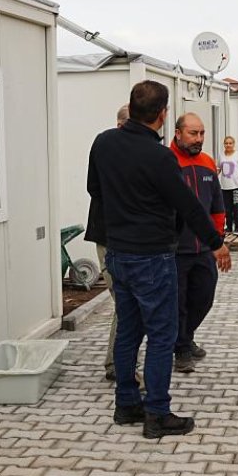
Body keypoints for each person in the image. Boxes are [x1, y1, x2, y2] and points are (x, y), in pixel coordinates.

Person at [87, 81, 231, 439]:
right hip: (152, 256)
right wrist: (217, 243)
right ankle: (157, 414)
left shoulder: (103, 143)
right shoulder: (159, 157)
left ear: (132, 107)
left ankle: (126, 405)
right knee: (162, 335)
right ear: (163, 115)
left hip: (117, 253)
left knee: (128, 331)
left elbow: (94, 189)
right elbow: (187, 205)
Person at [171, 113, 227, 373]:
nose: (199, 139)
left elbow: (216, 206)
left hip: (204, 249)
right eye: (193, 133)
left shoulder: (207, 163)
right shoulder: (166, 162)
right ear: (178, 132)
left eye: (202, 133)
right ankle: (181, 348)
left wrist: (217, 240)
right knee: (178, 302)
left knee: (204, 298)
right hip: (175, 250)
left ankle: (185, 336)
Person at [88, 104, 130, 382]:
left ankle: (119, 362)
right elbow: (94, 188)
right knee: (124, 303)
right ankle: (116, 365)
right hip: (110, 237)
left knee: (126, 302)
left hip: (119, 236)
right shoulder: (105, 145)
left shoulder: (107, 144)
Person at [218, 136, 238, 233]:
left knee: (236, 207)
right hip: (225, 187)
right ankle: (228, 227)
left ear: (233, 144)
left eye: (230, 143)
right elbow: (218, 169)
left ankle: (237, 227)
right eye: (226, 143)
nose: (228, 145)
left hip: (236, 187)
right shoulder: (221, 155)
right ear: (224, 144)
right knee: (227, 209)